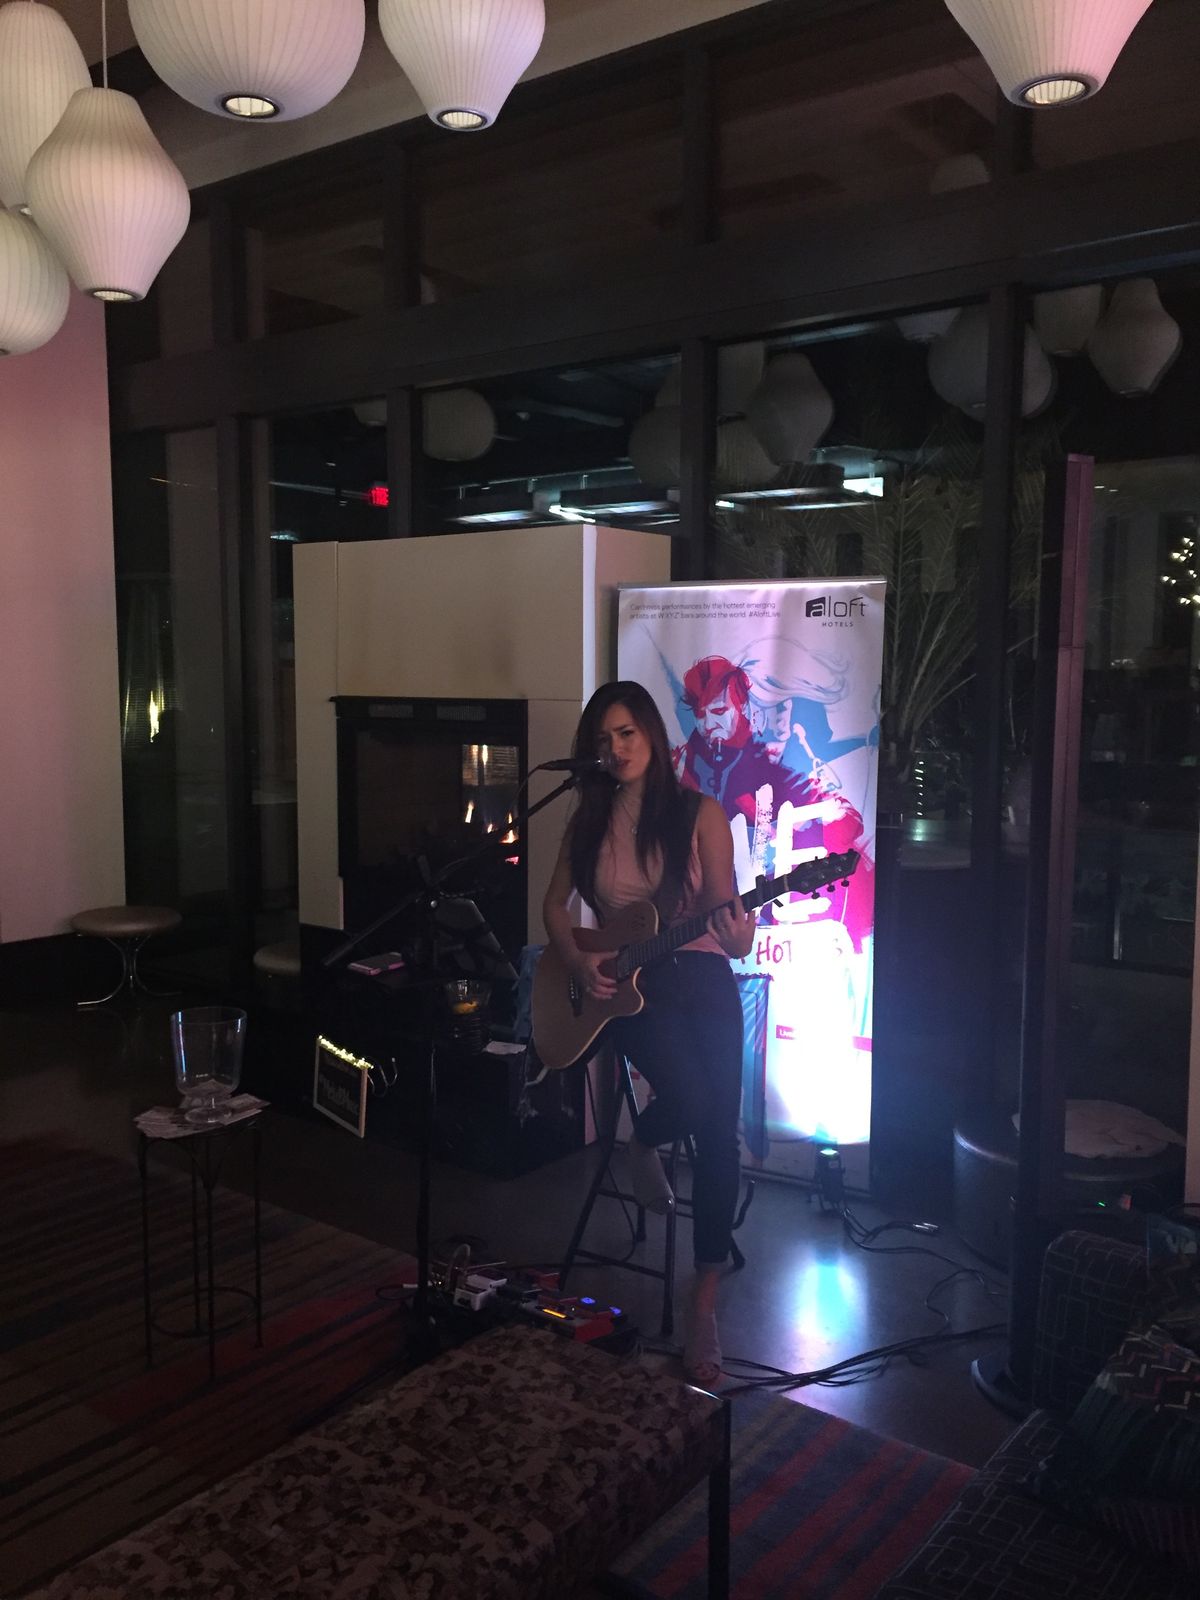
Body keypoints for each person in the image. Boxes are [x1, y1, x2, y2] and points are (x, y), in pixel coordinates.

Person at [543, 680, 754, 1387]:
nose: (617, 748)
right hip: (625, 987)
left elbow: (727, 916)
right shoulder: (587, 822)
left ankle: (704, 1299)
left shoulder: (698, 814)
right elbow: (554, 906)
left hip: (699, 971)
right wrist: (578, 960)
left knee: (719, 1127)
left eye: (627, 733)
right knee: (693, 1101)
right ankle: (645, 1141)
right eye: (603, 740)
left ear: (654, 737)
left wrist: (740, 934)